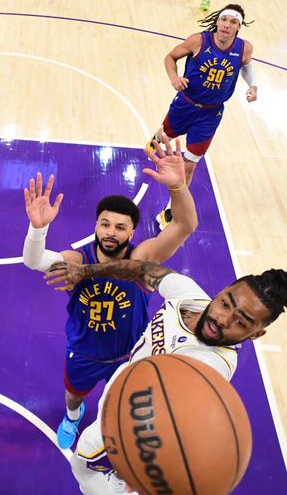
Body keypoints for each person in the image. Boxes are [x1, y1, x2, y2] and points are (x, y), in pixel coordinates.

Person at [44, 259, 287, 495]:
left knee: (82, 466)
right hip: (118, 395)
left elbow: (172, 428)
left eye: (241, 322)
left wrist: (138, 466)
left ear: (256, 335)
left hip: (127, 426)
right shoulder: (188, 295)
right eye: (225, 303)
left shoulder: (209, 365)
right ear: (222, 291)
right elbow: (143, 269)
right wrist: (86, 271)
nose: (223, 319)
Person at [22, 137, 198, 450]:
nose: (110, 232)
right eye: (105, 224)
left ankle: (112, 424)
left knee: (123, 402)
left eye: (120, 227)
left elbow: (185, 224)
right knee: (73, 395)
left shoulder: (143, 258)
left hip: (130, 353)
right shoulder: (78, 260)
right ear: (96, 227)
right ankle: (73, 417)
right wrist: (38, 229)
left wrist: (177, 188)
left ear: (132, 233)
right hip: (85, 352)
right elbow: (35, 261)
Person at [146, 4, 256, 229]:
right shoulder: (198, 41)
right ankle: (157, 136)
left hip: (210, 114)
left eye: (233, 22)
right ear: (217, 21)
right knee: (164, 136)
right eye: (224, 19)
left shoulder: (244, 48)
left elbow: (246, 65)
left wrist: (253, 85)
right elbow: (170, 57)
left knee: (188, 167)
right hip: (185, 105)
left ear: (239, 27)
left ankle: (170, 209)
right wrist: (174, 77)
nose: (227, 25)